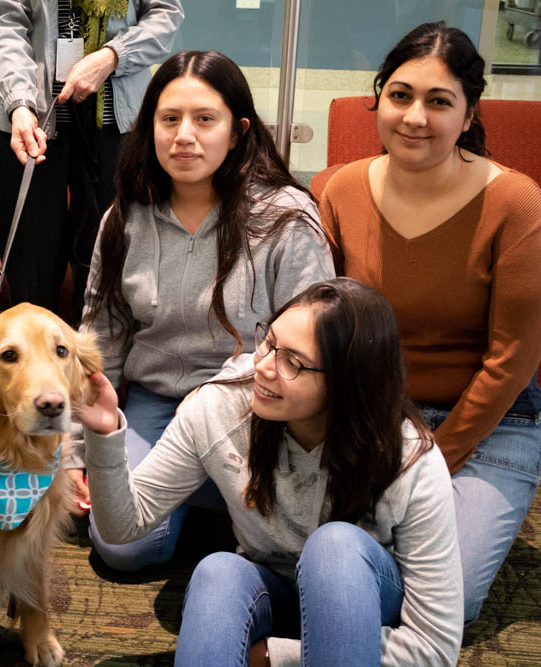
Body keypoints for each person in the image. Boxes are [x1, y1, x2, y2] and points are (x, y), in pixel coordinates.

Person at [80, 278, 463, 666]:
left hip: (362, 615)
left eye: (292, 362)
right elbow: (122, 526)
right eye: (268, 341)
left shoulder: (410, 458)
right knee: (219, 573)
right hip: (276, 592)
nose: (262, 367)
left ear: (348, 384)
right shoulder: (222, 405)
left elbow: (433, 649)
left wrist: (277, 656)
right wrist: (104, 432)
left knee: (335, 548)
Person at [318, 21, 541, 625]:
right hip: (376, 413)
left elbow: (512, 361)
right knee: (314, 549)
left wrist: (430, 460)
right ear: (380, 97)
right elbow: (325, 324)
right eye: (400, 95)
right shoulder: (341, 190)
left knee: (452, 599)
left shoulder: (516, 203)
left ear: (470, 111)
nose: (414, 117)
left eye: (439, 101)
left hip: (490, 424)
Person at [69, 50, 334, 571]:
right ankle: (203, 495)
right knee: (122, 547)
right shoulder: (124, 220)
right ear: (150, 128)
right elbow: (97, 343)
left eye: (204, 119)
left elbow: (315, 348)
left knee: (299, 536)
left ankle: (200, 492)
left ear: (236, 132)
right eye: (169, 119)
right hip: (159, 404)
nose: (183, 135)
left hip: (254, 408)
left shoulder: (286, 219)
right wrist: (79, 454)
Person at [0, 0, 184, 319]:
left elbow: (165, 14)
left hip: (115, 118)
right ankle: (34, 354)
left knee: (109, 247)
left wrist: (114, 56)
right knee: (31, 256)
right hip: (29, 114)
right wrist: (18, 103)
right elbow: (4, 22)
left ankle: (98, 355)